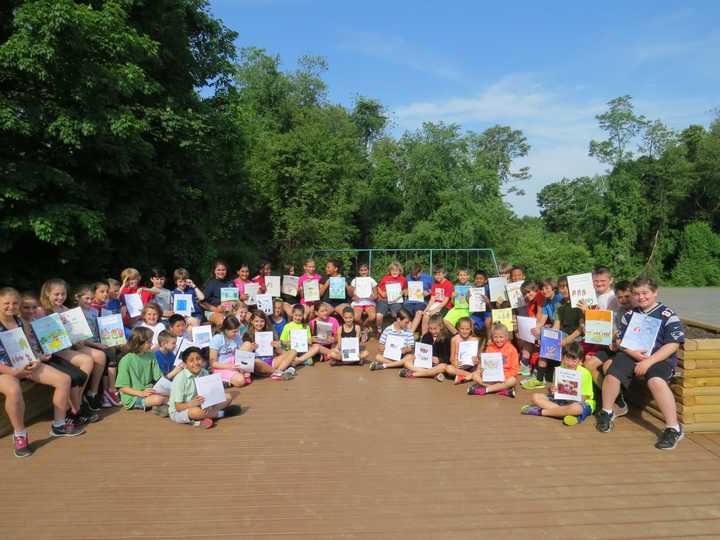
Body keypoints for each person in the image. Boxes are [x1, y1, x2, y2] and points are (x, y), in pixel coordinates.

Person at [596, 277, 685, 450]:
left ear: (655, 292)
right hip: (631, 353)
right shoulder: (630, 315)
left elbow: (673, 344)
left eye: (645, 293)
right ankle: (607, 411)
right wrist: (631, 352)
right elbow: (620, 339)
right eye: (637, 294)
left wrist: (649, 361)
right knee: (613, 374)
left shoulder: (668, 314)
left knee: (656, 381)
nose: (641, 297)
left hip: (659, 357)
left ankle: (673, 428)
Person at [0, 287, 84, 457]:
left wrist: (36, 359)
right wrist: (13, 372)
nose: (11, 306)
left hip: (24, 364)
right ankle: (20, 435)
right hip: (4, 370)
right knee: (14, 391)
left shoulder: (18, 320)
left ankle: (59, 425)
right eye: (6, 303)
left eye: (15, 303)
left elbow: (26, 346)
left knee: (64, 380)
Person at [18, 292, 93, 424]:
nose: (31, 311)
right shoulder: (21, 323)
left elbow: (49, 337)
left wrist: (58, 324)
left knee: (80, 376)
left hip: (47, 355)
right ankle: (75, 411)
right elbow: (26, 349)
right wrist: (40, 356)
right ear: (20, 308)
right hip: (36, 360)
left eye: (34, 307)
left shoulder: (36, 320)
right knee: (71, 378)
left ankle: (76, 408)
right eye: (26, 307)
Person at [39, 278, 106, 416]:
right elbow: (45, 338)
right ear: (47, 293)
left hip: (69, 346)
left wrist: (79, 340)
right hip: (55, 350)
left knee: (100, 355)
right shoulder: (43, 310)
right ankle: (77, 404)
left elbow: (75, 334)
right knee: (86, 360)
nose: (60, 297)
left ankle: (86, 395)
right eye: (56, 294)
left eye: (63, 294)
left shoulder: (66, 309)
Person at [523, 276, 583, 390]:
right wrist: (548, 337)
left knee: (554, 345)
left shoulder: (576, 303)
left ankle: (563, 384)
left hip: (575, 338)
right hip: (562, 333)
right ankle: (539, 379)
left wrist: (564, 339)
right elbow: (556, 322)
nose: (564, 289)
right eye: (562, 287)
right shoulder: (558, 304)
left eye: (567, 287)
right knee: (546, 343)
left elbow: (581, 328)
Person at [521, 342, 595, 426]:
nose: (570, 363)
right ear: (562, 358)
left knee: (575, 408)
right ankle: (564, 413)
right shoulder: (559, 369)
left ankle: (542, 412)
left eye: (574, 360)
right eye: (567, 359)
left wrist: (572, 396)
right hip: (561, 400)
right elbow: (554, 391)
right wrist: (552, 389)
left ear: (580, 361)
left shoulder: (585, 373)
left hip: (579, 402)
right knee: (535, 397)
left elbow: (586, 396)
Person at [75, 284, 120, 408]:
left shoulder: (94, 311)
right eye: (86, 299)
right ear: (77, 298)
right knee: (108, 353)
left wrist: (111, 338)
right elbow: (81, 339)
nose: (89, 301)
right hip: (86, 344)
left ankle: (107, 391)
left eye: (91, 298)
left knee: (112, 349)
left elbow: (99, 330)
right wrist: (97, 345)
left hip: (96, 342)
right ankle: (107, 391)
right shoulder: (75, 313)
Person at [169, 346, 236, 429]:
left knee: (228, 397)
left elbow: (210, 394)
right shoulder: (180, 379)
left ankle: (204, 417)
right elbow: (178, 407)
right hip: (181, 410)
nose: (196, 362)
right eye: (191, 360)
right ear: (185, 364)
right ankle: (221, 414)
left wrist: (208, 405)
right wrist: (192, 404)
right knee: (195, 412)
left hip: (201, 404)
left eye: (198, 359)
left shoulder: (204, 372)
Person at [115, 326, 169, 416]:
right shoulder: (126, 360)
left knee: (171, 393)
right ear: (138, 342)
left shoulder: (151, 355)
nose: (152, 344)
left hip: (149, 391)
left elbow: (159, 377)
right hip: (132, 398)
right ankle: (171, 408)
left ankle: (163, 407)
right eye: (149, 342)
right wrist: (141, 393)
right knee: (158, 399)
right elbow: (122, 387)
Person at [239, 311, 296, 380]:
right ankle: (278, 372)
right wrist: (251, 348)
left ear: (265, 321)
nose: (259, 324)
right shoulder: (247, 335)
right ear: (251, 321)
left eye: (262, 321)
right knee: (256, 360)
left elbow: (278, 352)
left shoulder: (269, 333)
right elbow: (244, 355)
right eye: (256, 321)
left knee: (293, 351)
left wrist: (277, 347)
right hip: (258, 366)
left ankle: (275, 373)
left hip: (271, 361)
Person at [467, 322, 519, 397]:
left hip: (504, 378)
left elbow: (515, 369)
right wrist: (481, 369)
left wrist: (504, 376)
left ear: (506, 336)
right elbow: (484, 364)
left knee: (512, 381)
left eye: (501, 337)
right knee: (475, 375)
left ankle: (485, 390)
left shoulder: (512, 350)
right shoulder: (489, 348)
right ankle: (502, 390)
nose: (498, 340)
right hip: (490, 377)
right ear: (492, 337)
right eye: (495, 337)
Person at [398, 314, 450, 381]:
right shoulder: (426, 336)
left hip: (437, 365)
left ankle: (414, 374)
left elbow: (448, 358)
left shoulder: (447, 338)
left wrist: (439, 360)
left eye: (435, 329)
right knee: (407, 361)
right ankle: (433, 374)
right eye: (430, 329)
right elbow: (420, 350)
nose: (433, 331)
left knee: (443, 367)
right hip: (424, 363)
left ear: (441, 327)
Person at [208, 316, 250, 388]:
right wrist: (229, 366)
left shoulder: (237, 337)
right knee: (241, 381)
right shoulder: (217, 339)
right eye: (234, 331)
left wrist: (246, 369)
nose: (236, 333)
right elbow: (213, 363)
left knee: (247, 344)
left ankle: (231, 379)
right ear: (226, 330)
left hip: (235, 363)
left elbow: (242, 354)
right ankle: (222, 380)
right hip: (221, 366)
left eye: (237, 331)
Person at [445, 317, 482, 384]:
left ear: (471, 329)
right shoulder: (454, 339)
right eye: (462, 329)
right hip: (459, 367)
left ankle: (463, 376)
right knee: (448, 368)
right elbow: (451, 358)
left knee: (482, 367)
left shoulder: (475, 340)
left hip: (472, 366)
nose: (464, 331)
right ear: (458, 328)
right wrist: (455, 364)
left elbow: (478, 357)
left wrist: (477, 360)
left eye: (467, 329)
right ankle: (471, 376)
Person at [419, 266, 454, 334]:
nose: (437, 276)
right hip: (436, 304)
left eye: (439, 274)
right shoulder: (434, 284)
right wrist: (426, 309)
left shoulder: (448, 284)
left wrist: (435, 310)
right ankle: (423, 336)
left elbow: (445, 301)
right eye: (435, 274)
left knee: (435, 316)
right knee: (426, 315)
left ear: (444, 274)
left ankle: (436, 336)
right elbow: (432, 299)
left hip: (445, 306)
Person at [374, 262, 408, 331]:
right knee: (379, 316)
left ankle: (397, 330)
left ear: (400, 271)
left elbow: (406, 289)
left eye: (396, 270)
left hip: (396, 301)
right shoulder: (385, 278)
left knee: (396, 315)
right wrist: (382, 293)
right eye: (392, 270)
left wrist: (404, 291)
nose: (394, 272)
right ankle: (379, 330)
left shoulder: (403, 279)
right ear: (390, 271)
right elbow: (378, 287)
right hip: (384, 300)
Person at [201, 259, 234, 326]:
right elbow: (202, 302)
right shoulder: (210, 283)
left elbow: (235, 299)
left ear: (226, 270)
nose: (221, 272)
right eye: (218, 270)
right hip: (213, 311)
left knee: (246, 316)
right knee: (221, 320)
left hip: (229, 310)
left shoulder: (230, 282)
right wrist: (216, 309)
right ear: (214, 271)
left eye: (223, 270)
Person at [349, 263, 377, 336]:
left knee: (372, 316)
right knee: (356, 317)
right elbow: (350, 294)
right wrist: (353, 296)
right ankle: (364, 327)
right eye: (361, 270)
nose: (363, 272)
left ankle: (364, 326)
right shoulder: (355, 280)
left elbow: (376, 295)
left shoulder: (371, 280)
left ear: (368, 271)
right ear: (359, 271)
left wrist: (372, 297)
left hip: (369, 302)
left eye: (365, 270)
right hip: (358, 302)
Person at [443, 267, 472, 335]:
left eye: (464, 275)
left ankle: (465, 336)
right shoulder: (456, 286)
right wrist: (453, 297)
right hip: (457, 308)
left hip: (468, 309)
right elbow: (453, 303)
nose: (463, 277)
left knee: (464, 323)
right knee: (445, 320)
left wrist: (470, 298)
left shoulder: (472, 286)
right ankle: (457, 335)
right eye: (461, 275)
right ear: (457, 276)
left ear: (468, 276)